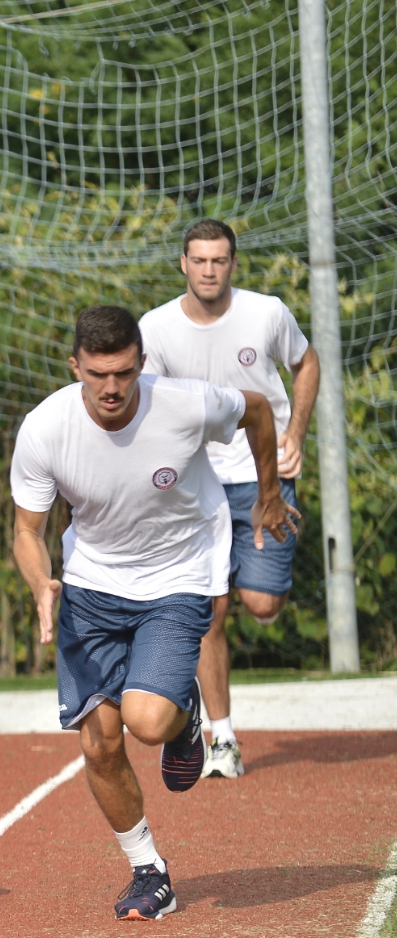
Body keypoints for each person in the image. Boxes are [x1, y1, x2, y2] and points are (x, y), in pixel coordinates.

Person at [11, 305, 294, 921]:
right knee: (99, 740)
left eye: (123, 373)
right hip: (91, 585)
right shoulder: (44, 428)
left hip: (177, 575)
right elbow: (26, 530)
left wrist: (268, 494)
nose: (111, 388)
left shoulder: (185, 403)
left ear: (140, 363)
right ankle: (148, 870)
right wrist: (40, 583)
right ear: (75, 367)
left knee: (145, 720)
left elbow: (258, 411)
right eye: (96, 375)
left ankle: (184, 713)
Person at [140, 219, 319, 780]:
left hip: (265, 473)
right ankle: (223, 738)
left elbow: (306, 363)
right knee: (208, 615)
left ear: (233, 264)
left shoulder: (265, 313)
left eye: (219, 260)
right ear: (183, 264)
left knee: (261, 605)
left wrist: (295, 437)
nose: (209, 270)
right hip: (196, 487)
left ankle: (256, 569)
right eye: (199, 260)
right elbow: (146, 407)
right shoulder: (157, 328)